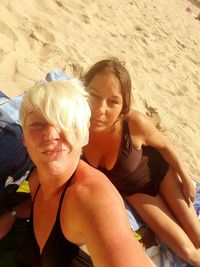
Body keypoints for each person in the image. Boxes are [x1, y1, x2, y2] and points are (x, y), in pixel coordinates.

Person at [17, 79, 154, 267]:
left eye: (67, 123)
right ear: (23, 137)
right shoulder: (36, 182)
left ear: (85, 136)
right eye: (37, 124)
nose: (51, 135)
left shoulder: (90, 200)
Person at [82, 58, 200, 266]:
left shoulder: (134, 124)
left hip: (163, 176)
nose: (100, 109)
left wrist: (186, 178)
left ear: (124, 105)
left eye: (113, 101)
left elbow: (165, 146)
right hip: (138, 193)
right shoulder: (76, 131)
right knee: (187, 252)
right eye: (94, 95)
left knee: (197, 236)